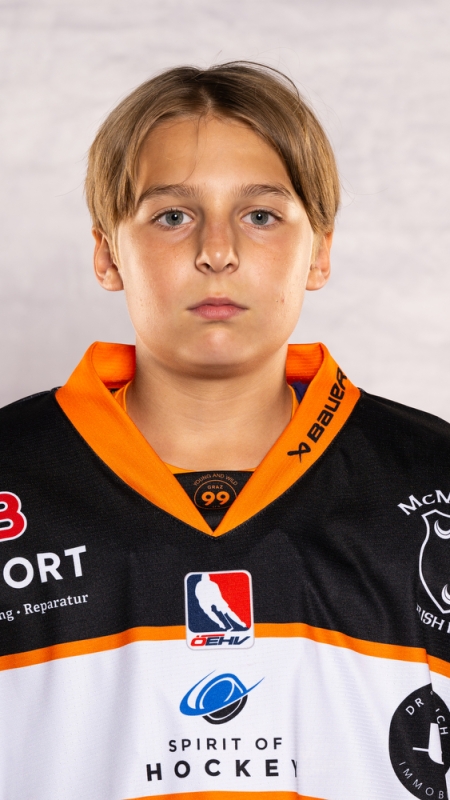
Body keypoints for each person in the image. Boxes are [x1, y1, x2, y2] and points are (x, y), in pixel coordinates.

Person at [0, 61, 449, 800]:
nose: (217, 250)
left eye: (261, 215)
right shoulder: (12, 475)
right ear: (108, 254)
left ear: (320, 251)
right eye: (173, 216)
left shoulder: (431, 477)